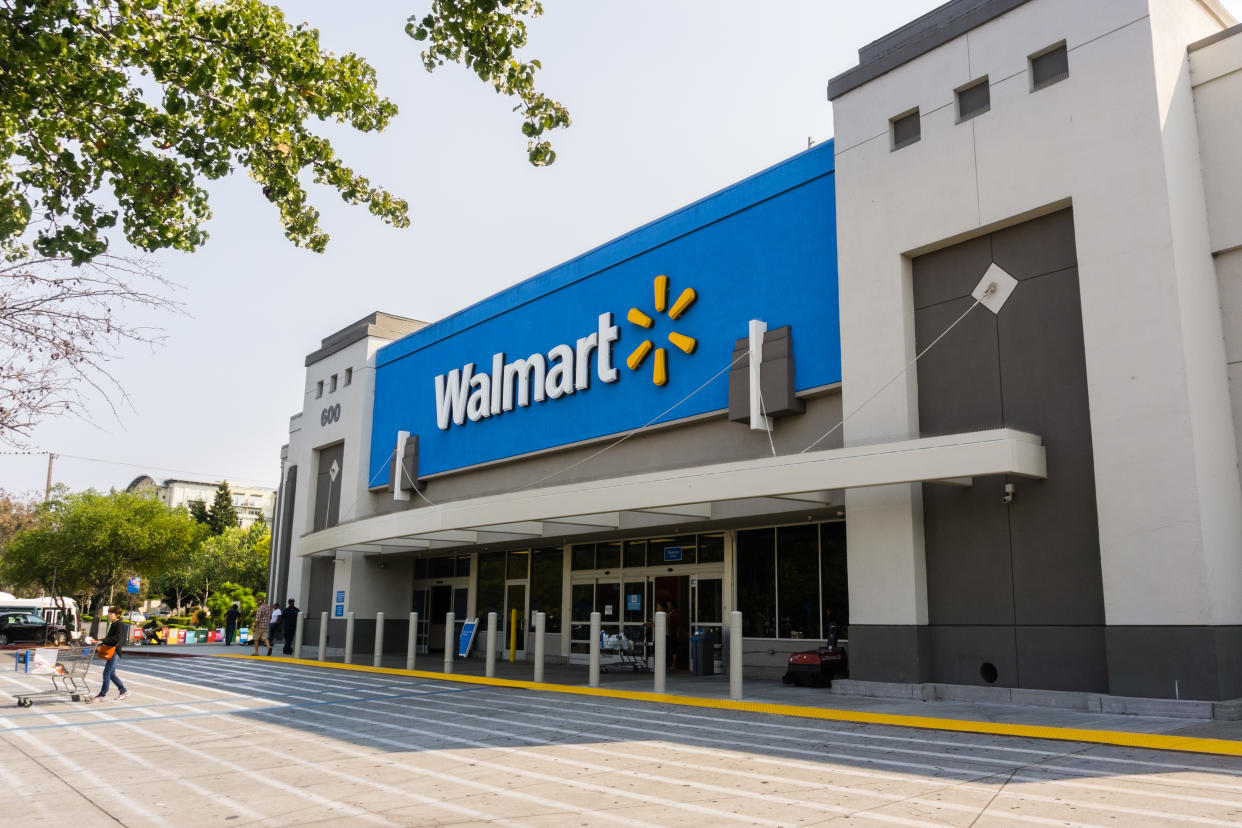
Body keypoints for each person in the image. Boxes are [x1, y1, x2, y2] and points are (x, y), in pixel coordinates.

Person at [89, 607, 129, 702]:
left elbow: (116, 639)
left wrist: (102, 640)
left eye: (111, 613)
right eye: (109, 613)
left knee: (107, 672)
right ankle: (123, 690)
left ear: (117, 615)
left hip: (114, 652)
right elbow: (109, 638)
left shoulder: (119, 624)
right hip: (111, 651)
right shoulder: (114, 624)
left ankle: (102, 694)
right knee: (111, 674)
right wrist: (99, 641)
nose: (108, 615)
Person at [666, 600, 683, 671]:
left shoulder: (675, 614)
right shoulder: (669, 612)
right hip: (669, 633)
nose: (668, 606)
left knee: (674, 649)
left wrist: (677, 634)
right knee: (670, 648)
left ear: (672, 606)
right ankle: (669, 664)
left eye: (669, 605)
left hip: (673, 633)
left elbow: (678, 625)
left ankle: (674, 665)